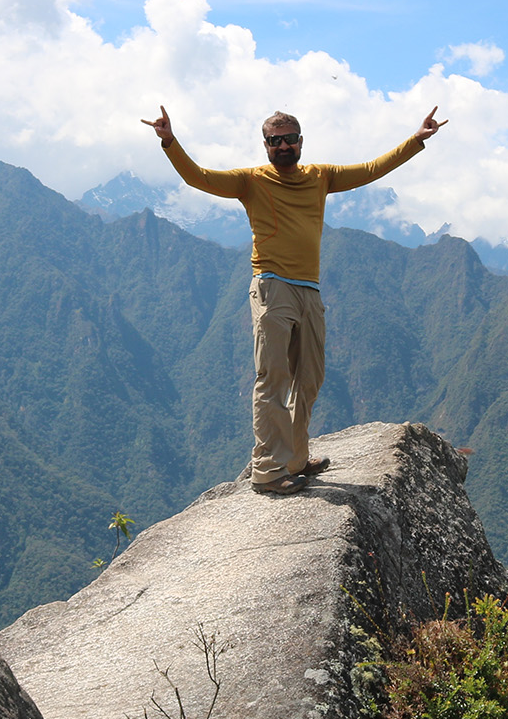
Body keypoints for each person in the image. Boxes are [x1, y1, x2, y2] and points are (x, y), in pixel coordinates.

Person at [142, 104, 446, 494]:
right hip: (272, 286)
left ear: (301, 141)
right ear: (265, 145)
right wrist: (169, 141)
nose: (283, 145)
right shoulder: (251, 181)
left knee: (310, 377)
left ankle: (296, 457)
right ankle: (268, 470)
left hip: (310, 289)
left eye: (289, 138)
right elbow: (199, 178)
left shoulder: (321, 177)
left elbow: (371, 169)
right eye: (275, 140)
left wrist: (415, 141)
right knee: (274, 377)